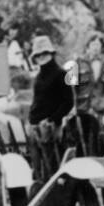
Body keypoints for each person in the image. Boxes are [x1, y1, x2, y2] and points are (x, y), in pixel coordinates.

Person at [27, 36, 73, 183]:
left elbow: (68, 102)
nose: (41, 57)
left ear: (51, 54)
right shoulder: (39, 76)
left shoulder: (61, 74)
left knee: (51, 170)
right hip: (35, 126)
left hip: (49, 127)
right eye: (38, 55)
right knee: (38, 171)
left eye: (44, 53)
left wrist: (52, 120)